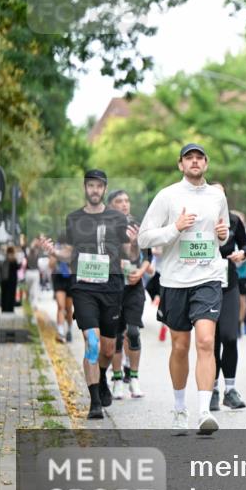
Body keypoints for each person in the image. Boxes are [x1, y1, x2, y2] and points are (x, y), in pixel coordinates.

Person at [137, 143, 230, 435]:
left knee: (205, 341)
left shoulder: (217, 196)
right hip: (175, 281)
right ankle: (180, 407)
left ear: (206, 163)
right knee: (179, 346)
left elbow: (222, 236)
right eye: (188, 158)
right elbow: (143, 238)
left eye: (199, 157)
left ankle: (204, 412)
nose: (194, 162)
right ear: (180, 165)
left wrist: (224, 236)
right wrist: (175, 228)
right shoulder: (168, 196)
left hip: (208, 277)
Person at [38, 169, 137, 419]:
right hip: (83, 287)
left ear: (104, 188)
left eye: (99, 186)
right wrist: (53, 252)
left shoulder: (117, 218)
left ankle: (101, 377)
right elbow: (69, 252)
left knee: (107, 349)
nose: (94, 190)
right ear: (85, 188)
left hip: (112, 287)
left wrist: (135, 243)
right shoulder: (74, 218)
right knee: (91, 343)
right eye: (90, 185)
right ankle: (94, 401)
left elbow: (131, 254)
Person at [107, 189, 150, 400]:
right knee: (116, 335)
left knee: (133, 331)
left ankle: (133, 377)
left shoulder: (137, 226)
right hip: (113, 287)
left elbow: (147, 257)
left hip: (134, 287)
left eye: (127, 200)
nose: (124, 204)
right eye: (119, 201)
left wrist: (140, 272)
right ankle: (116, 380)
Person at [210, 183, 246, 412]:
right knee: (212, 340)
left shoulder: (234, 220)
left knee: (230, 336)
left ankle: (230, 390)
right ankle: (213, 389)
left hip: (229, 281)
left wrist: (241, 253)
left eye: (221, 194)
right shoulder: (198, 219)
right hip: (206, 283)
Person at [48, 236, 75, 342]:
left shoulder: (73, 249)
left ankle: (69, 329)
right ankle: (60, 332)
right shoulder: (56, 249)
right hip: (59, 279)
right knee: (60, 306)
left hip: (70, 279)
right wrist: (55, 256)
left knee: (68, 309)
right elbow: (51, 265)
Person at [0, 245, 20, 313]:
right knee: (11, 294)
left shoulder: (3, 257)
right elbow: (18, 267)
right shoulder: (13, 258)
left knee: (4, 294)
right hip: (11, 279)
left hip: (4, 279)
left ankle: (4, 308)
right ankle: (10, 309)